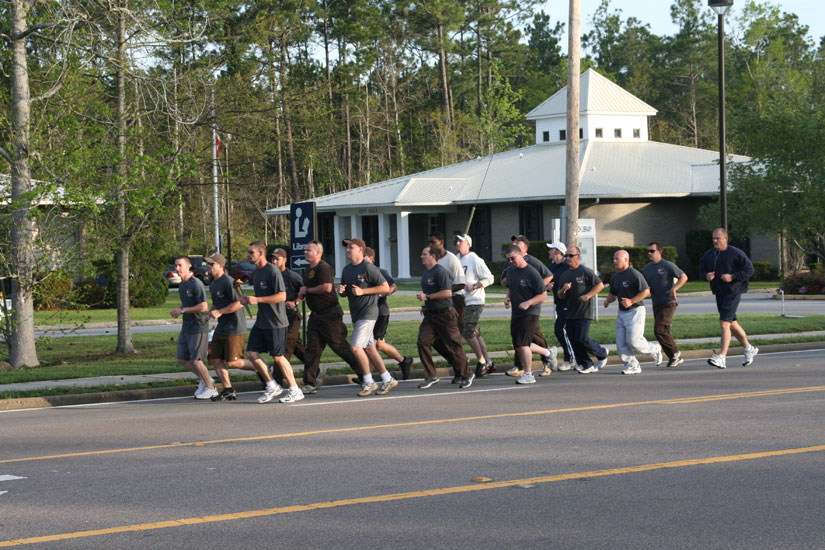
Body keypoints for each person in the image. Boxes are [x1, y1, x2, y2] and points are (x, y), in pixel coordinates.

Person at [240, 241, 304, 403]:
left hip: (276, 322)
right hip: (262, 321)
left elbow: (282, 296)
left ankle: (295, 390)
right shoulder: (257, 273)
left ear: (261, 253)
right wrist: (247, 300)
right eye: (248, 252)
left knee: (278, 357)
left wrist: (258, 299)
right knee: (251, 353)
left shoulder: (272, 271)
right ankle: (272, 385)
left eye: (251, 252)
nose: (248, 255)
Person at [296, 240, 361, 394]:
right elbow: (307, 290)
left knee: (339, 346)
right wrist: (300, 296)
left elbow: (327, 287)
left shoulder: (323, 268)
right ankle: (310, 382)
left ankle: (365, 373)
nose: (305, 252)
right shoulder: (308, 269)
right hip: (316, 315)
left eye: (309, 250)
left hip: (330, 314)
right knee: (312, 349)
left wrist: (307, 290)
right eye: (305, 250)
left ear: (318, 253)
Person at [338, 237, 399, 397]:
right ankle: (388, 379)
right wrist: (342, 291)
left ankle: (368, 381)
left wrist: (364, 291)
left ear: (360, 250)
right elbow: (346, 291)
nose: (347, 250)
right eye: (347, 247)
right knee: (370, 349)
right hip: (357, 314)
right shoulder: (347, 270)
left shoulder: (368, 268)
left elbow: (385, 286)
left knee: (355, 347)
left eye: (351, 247)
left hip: (369, 313)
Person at [698, 228, 759, 369]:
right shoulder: (709, 255)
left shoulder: (736, 253)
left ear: (726, 239)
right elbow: (701, 271)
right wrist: (706, 276)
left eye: (718, 238)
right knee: (732, 323)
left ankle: (722, 357)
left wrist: (732, 277)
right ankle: (749, 348)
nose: (715, 241)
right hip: (719, 292)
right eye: (713, 238)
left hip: (733, 291)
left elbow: (749, 270)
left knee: (724, 324)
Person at [416, 245, 474, 389]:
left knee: (454, 345)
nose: (421, 256)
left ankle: (466, 374)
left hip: (445, 315)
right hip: (431, 315)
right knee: (423, 342)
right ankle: (431, 376)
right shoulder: (426, 273)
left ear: (433, 256)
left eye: (424, 254)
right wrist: (426, 304)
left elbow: (447, 293)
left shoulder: (440, 272)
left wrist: (427, 296)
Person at [502, 235, 557, 376]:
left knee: (524, 341)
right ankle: (547, 354)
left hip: (530, 308)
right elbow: (508, 284)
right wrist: (508, 297)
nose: (514, 243)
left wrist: (533, 293)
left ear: (524, 248)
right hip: (518, 309)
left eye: (518, 242)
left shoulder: (531, 264)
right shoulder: (512, 266)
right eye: (513, 241)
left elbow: (548, 277)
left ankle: (529, 370)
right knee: (522, 340)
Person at [603, 250, 663, 375]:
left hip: (636, 311)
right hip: (622, 312)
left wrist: (632, 301)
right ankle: (632, 365)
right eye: (614, 259)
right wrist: (608, 300)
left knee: (634, 341)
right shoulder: (615, 277)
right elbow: (613, 294)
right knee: (621, 343)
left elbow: (646, 291)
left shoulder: (634, 274)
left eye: (617, 259)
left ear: (626, 260)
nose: (614, 261)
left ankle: (655, 348)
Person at [170, 255, 217, 399]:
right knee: (181, 359)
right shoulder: (182, 285)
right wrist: (180, 309)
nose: (177, 269)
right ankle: (205, 379)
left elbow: (203, 306)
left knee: (196, 360)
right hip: (187, 326)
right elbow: (187, 304)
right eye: (176, 266)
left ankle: (211, 387)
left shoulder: (195, 283)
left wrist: (183, 310)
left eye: (180, 265)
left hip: (198, 326)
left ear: (188, 266)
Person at [556, 246, 609, 374]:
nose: (567, 258)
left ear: (578, 256)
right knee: (573, 340)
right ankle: (586, 363)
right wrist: (563, 289)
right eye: (566, 256)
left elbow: (600, 285)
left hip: (584, 312)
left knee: (581, 338)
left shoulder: (585, 271)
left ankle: (600, 353)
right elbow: (559, 295)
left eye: (570, 255)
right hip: (570, 312)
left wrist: (587, 296)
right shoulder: (565, 275)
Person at [363, 247, 414, 380]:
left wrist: (380, 294)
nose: (362, 258)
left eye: (365, 256)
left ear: (371, 258)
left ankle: (366, 376)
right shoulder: (361, 272)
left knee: (371, 345)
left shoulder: (380, 271)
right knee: (379, 345)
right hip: (368, 313)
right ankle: (404, 361)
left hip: (381, 312)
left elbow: (393, 287)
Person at [204, 253, 247, 401]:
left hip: (235, 327)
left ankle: (260, 367)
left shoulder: (230, 282)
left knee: (232, 362)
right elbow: (216, 302)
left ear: (220, 265)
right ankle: (228, 389)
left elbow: (240, 302)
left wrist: (221, 311)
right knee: (215, 358)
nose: (208, 267)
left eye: (211, 264)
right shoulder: (213, 283)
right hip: (222, 326)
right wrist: (209, 314)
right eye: (208, 264)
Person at [428, 231, 468, 383]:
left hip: (455, 302)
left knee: (453, 339)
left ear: (441, 242)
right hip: (437, 304)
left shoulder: (451, 260)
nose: (431, 245)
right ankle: (458, 364)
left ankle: (461, 372)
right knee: (436, 340)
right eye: (429, 243)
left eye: (434, 242)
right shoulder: (432, 261)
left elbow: (461, 283)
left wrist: (444, 291)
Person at [455, 234, 496, 377]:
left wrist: (475, 285)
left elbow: (490, 278)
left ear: (468, 244)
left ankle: (481, 361)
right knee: (476, 334)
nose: (458, 243)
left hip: (474, 301)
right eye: (457, 241)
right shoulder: (456, 258)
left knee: (467, 332)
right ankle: (489, 363)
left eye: (461, 241)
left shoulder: (475, 259)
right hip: (461, 302)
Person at [642, 242, 689, 368]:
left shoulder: (667, 265)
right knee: (664, 330)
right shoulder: (647, 268)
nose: (649, 253)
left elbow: (684, 277)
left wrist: (674, 289)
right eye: (648, 251)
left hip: (668, 303)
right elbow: (644, 286)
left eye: (652, 251)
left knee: (659, 329)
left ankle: (675, 353)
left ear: (659, 252)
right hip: (656, 303)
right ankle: (674, 356)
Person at [270, 248, 307, 378]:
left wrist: (295, 302)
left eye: (277, 259)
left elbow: (304, 292)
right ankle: (314, 370)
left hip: (292, 317)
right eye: (273, 259)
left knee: (284, 347)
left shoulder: (292, 276)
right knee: (296, 347)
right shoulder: (270, 275)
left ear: (284, 260)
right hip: (277, 317)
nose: (274, 261)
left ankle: (277, 380)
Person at [545, 241, 575, 373]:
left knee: (559, 329)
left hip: (569, 303)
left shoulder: (567, 266)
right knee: (575, 335)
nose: (549, 252)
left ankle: (570, 359)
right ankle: (600, 352)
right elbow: (546, 285)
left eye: (551, 249)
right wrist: (547, 287)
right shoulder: (551, 267)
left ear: (558, 252)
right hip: (559, 303)